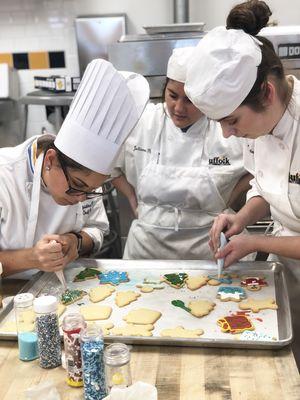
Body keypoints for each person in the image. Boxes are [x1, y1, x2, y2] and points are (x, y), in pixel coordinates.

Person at [185, 0, 300, 367]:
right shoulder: (259, 127)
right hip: (290, 270)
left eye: (231, 120)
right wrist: (241, 217)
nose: (227, 134)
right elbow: (266, 188)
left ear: (266, 93)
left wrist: (256, 241)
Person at [0, 59, 149, 278]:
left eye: (90, 190)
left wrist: (75, 242)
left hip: (66, 288)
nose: (82, 198)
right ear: (50, 160)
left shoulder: (87, 184)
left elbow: (98, 229)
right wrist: (32, 258)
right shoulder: (5, 176)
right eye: (77, 186)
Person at [112, 47, 252, 260]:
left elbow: (259, 170)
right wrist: (131, 197)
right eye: (173, 96)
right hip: (147, 250)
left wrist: (229, 198)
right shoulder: (143, 121)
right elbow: (106, 165)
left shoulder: (225, 128)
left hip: (208, 248)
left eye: (190, 100)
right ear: (164, 90)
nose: (178, 108)